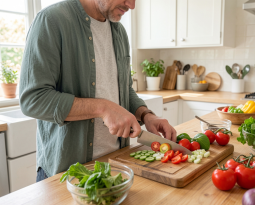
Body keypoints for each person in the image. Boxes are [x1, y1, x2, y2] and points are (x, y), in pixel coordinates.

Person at [19, 0, 176, 182]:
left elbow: (123, 88)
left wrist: (147, 115)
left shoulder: (119, 32)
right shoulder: (51, 20)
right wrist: (102, 108)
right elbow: (33, 99)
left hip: (114, 169)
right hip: (67, 175)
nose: (131, 5)